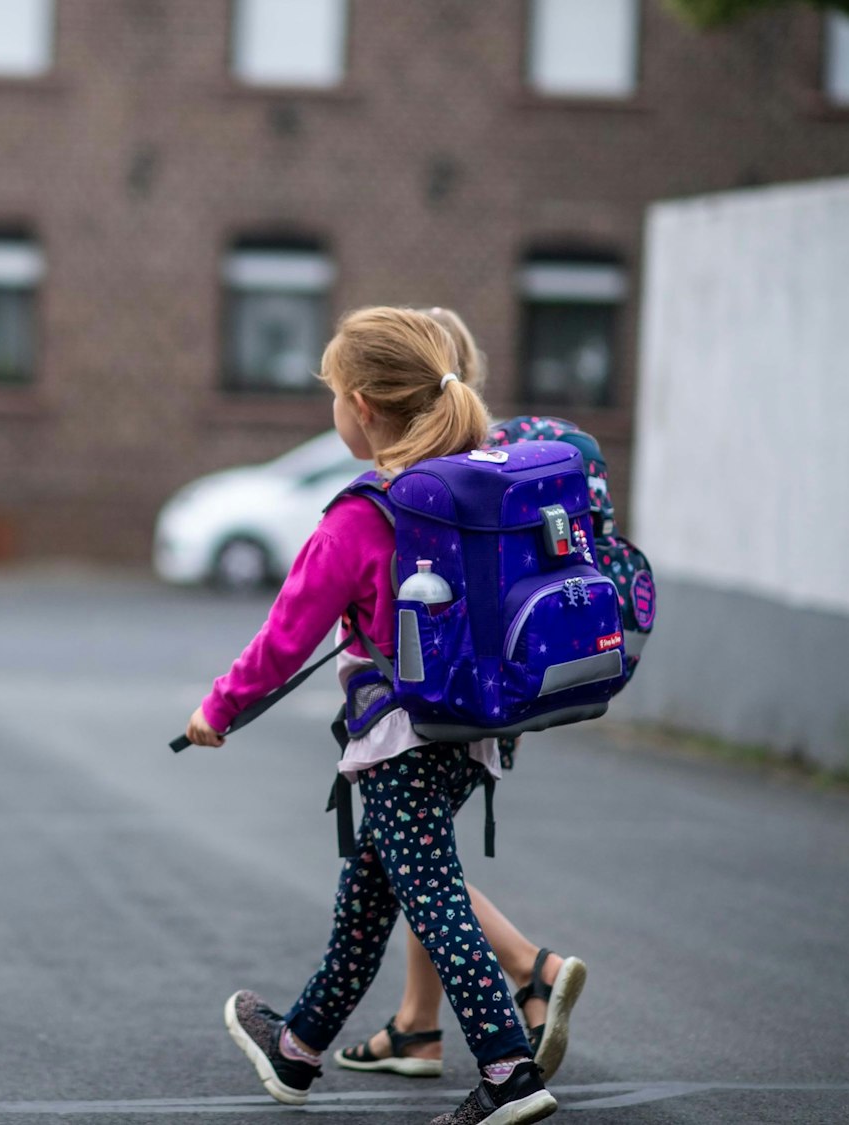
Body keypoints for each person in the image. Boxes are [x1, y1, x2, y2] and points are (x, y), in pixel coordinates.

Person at [188, 307, 557, 1125]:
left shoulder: (362, 513)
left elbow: (285, 639)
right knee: (369, 893)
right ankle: (298, 1050)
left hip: (400, 736)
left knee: (429, 896)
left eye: (331, 395)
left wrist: (218, 710)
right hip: (477, 728)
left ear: (359, 403)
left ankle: (509, 1072)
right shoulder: (478, 486)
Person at [331, 308, 589, 1085]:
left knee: (422, 867)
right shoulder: (485, 462)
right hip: (495, 694)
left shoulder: (425, 485)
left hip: (431, 699)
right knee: (421, 857)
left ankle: (528, 966)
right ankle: (416, 1025)